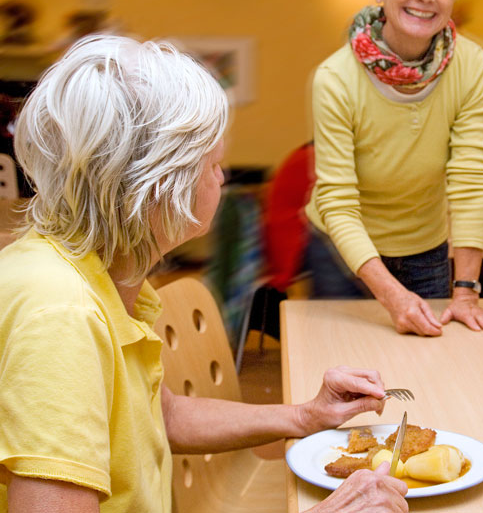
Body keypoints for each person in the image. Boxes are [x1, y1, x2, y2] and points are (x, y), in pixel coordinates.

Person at [0, 35, 409, 513]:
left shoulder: (102, 270)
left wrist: (304, 415)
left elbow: (162, 415)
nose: (221, 177)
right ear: (154, 185)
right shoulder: (60, 314)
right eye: (212, 163)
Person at [305, 0, 483, 336]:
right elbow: (337, 199)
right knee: (344, 369)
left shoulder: (473, 66)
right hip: (343, 252)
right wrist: (390, 295)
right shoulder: (335, 78)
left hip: (425, 249)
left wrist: (465, 290)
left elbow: (469, 177)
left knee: (429, 375)